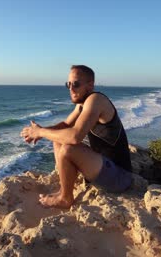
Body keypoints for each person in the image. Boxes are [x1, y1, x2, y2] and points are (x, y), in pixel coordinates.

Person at [20, 65, 132, 208]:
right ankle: (64, 190)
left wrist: (41, 133)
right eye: (68, 84)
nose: (71, 89)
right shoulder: (82, 104)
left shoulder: (96, 100)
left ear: (90, 85)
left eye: (76, 84)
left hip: (120, 177)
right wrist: (39, 130)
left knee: (68, 148)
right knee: (58, 140)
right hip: (102, 168)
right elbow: (66, 124)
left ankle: (65, 199)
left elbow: (75, 137)